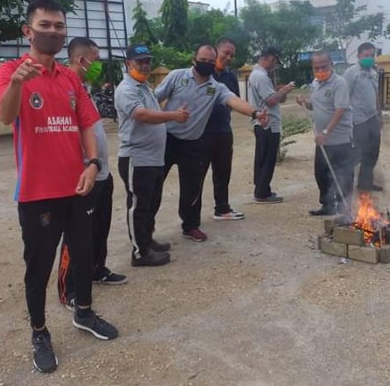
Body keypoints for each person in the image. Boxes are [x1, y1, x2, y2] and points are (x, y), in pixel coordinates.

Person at [0, 0, 118, 374]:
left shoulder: (70, 78)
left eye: (59, 26)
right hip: (37, 193)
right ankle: (40, 331)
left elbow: (87, 125)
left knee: (83, 255)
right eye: (44, 25)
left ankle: (83, 312)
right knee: (39, 267)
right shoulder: (10, 71)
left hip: (78, 188)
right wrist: (16, 83)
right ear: (28, 31)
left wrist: (93, 164)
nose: (52, 31)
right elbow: (5, 117)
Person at [154, 44, 268, 242]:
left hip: (192, 143)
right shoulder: (176, 76)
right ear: (193, 59)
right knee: (154, 185)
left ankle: (190, 226)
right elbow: (154, 98)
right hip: (166, 140)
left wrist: (255, 113)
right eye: (202, 60)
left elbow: (234, 101)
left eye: (209, 61)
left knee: (192, 188)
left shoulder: (216, 88)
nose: (205, 64)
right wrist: (159, 119)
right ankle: (146, 232)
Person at [57, 37, 127, 312]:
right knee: (76, 238)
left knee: (100, 228)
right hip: (81, 177)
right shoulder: (64, 90)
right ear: (81, 60)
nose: (98, 66)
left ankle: (97, 269)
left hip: (101, 173)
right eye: (96, 61)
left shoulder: (84, 90)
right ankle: (69, 288)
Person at [115, 44, 190, 267]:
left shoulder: (144, 86)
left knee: (151, 203)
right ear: (128, 64)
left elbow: (152, 108)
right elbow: (142, 115)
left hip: (154, 158)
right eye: (140, 62)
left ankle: (147, 240)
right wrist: (173, 116)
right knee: (138, 206)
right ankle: (140, 253)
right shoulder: (126, 89)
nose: (145, 65)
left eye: (148, 61)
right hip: (136, 158)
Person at [296, 51, 354, 216]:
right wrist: (304, 103)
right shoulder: (315, 83)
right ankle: (328, 206)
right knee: (321, 173)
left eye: (324, 66)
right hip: (322, 140)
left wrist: (326, 132)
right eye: (317, 67)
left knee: (343, 174)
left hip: (339, 139)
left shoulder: (339, 83)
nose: (320, 70)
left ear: (331, 65)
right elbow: (316, 106)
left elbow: (340, 110)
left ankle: (345, 208)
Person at [201, 38, 244, 221]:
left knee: (223, 172)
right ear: (216, 52)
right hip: (201, 133)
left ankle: (222, 208)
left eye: (232, 55)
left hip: (223, 131)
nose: (229, 57)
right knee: (197, 176)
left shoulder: (230, 76)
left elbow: (234, 100)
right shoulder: (203, 74)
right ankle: (191, 217)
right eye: (226, 53)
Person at [248, 47, 295, 204]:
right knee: (267, 158)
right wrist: (285, 89)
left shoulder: (258, 75)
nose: (275, 65)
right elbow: (271, 100)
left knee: (263, 157)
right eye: (275, 61)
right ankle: (262, 193)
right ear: (269, 58)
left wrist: (279, 91)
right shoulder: (260, 76)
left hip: (263, 122)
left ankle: (263, 189)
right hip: (267, 123)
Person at [343, 42, 383, 192]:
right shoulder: (351, 73)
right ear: (359, 56)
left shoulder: (373, 72)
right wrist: (347, 121)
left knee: (373, 152)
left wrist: (380, 116)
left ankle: (366, 183)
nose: (369, 58)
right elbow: (344, 96)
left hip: (372, 118)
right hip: (358, 120)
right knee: (360, 153)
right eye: (366, 55)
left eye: (372, 55)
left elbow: (376, 95)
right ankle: (345, 184)